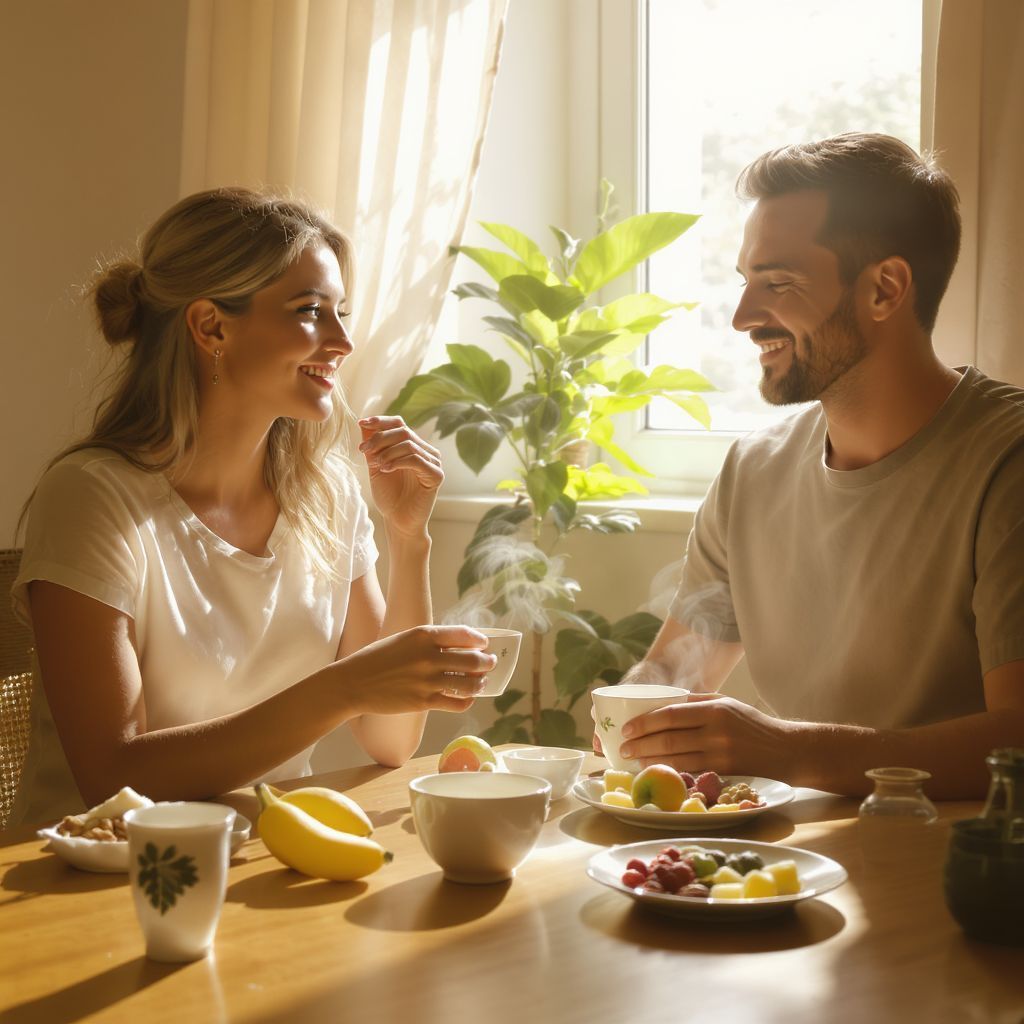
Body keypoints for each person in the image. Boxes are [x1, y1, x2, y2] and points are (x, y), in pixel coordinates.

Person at [10, 187, 495, 827]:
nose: (343, 341)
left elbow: (390, 739)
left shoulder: (327, 497)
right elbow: (110, 777)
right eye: (310, 311)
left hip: (260, 857)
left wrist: (409, 539)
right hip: (88, 882)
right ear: (211, 325)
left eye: (341, 312)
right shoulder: (94, 497)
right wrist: (344, 688)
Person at [604, 133, 1024, 798]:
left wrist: (787, 750)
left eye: (778, 283)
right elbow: (671, 680)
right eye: (746, 283)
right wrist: (625, 723)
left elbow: (1018, 741)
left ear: (885, 288)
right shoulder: (753, 470)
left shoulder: (1009, 463)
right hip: (782, 863)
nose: (743, 317)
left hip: (958, 882)